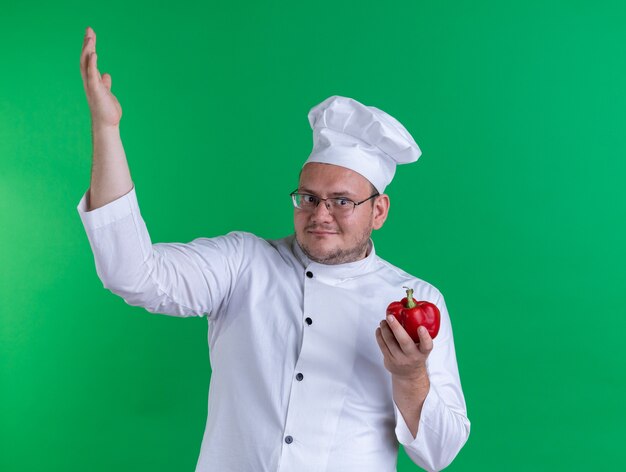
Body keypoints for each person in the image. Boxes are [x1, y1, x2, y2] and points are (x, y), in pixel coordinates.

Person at [77, 26, 470, 472]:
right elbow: (132, 273)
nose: (320, 214)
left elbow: (439, 455)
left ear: (378, 211)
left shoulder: (416, 301)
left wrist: (410, 376)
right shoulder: (243, 262)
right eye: (308, 198)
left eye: (342, 201)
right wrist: (106, 129)